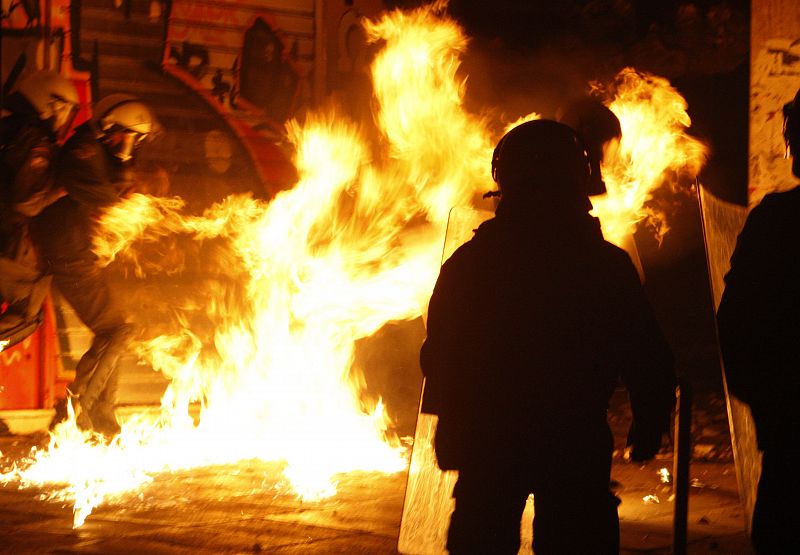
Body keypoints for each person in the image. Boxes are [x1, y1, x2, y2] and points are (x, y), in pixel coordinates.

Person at [420, 119, 676, 554]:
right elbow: (645, 353)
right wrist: (650, 422)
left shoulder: (472, 263)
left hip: (491, 442)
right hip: (573, 440)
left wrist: (448, 427)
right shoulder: (605, 265)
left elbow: (442, 355)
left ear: (504, 181)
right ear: (579, 183)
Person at [32, 94, 157, 437]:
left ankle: (103, 423)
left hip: (78, 253)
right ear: (108, 126)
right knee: (119, 330)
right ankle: (75, 413)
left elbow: (111, 194)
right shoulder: (82, 152)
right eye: (126, 136)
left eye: (135, 139)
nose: (128, 145)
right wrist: (125, 185)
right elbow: (103, 197)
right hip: (70, 255)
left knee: (113, 330)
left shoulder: (95, 151)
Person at [717, 88, 800, 554]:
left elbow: (737, 320)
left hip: (790, 432)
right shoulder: (775, 220)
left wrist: (765, 400)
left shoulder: (776, 221)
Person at [1, 70, 79, 338]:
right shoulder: (36, 142)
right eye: (66, 111)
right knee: (29, 313)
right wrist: (64, 187)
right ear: (52, 105)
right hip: (5, 240)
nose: (65, 119)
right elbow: (27, 204)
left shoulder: (8, 125)